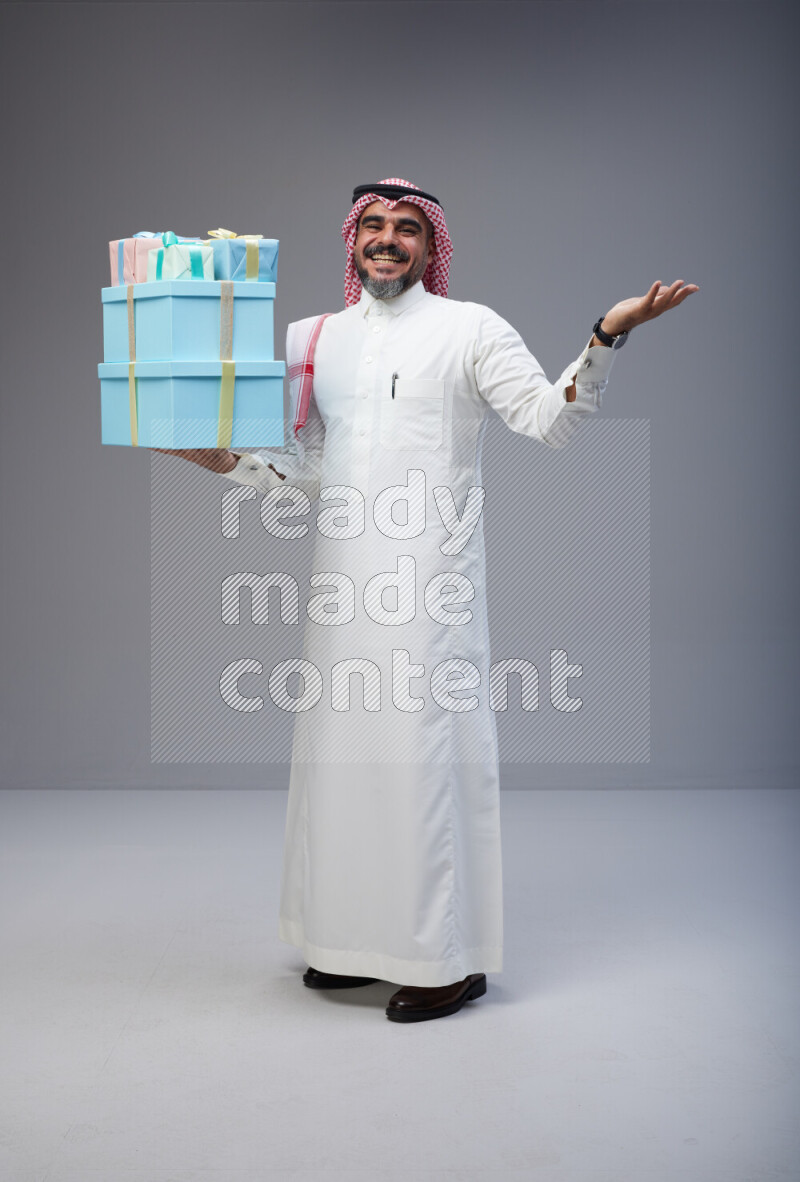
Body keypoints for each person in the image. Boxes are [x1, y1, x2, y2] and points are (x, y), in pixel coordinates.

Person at [158, 177, 698, 1023]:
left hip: (429, 591)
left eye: (406, 229)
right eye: (373, 225)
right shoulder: (312, 337)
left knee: (422, 769)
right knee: (340, 765)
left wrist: (606, 336)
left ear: (429, 245)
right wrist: (223, 463)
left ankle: (446, 961)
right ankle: (347, 945)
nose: (387, 240)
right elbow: (303, 473)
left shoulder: (469, 329)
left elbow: (549, 423)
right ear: (351, 239)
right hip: (342, 587)